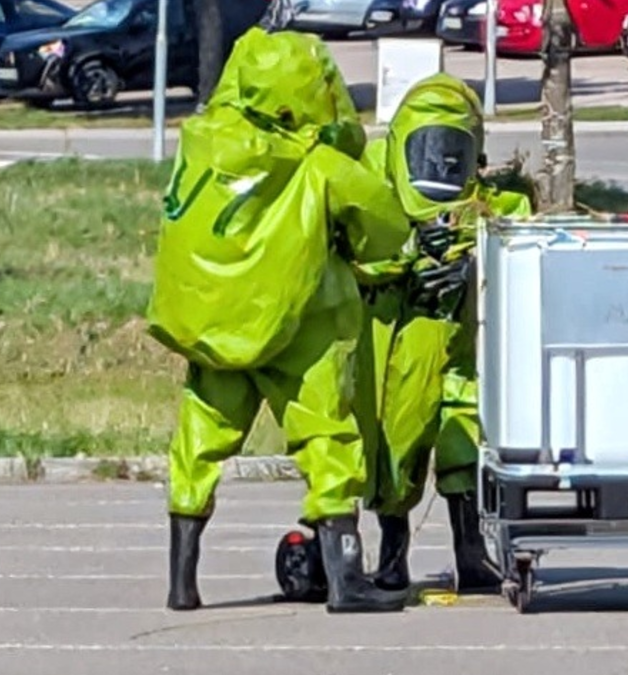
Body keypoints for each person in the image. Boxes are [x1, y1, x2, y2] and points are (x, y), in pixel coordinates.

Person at [145, 26, 415, 614]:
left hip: (216, 324)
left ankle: (182, 583)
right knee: (327, 437)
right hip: (302, 328)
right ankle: (345, 580)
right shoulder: (318, 164)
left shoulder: (199, 144)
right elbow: (386, 224)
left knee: (198, 442)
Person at [353, 73, 533, 595]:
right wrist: (409, 256)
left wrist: (473, 265)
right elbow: (353, 251)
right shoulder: (373, 188)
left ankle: (471, 555)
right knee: (397, 440)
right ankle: (393, 556)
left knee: (465, 438)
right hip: (402, 337)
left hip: (466, 342)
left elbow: (524, 256)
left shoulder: (498, 205)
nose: (438, 165)